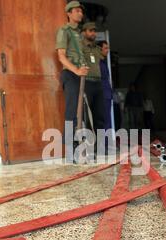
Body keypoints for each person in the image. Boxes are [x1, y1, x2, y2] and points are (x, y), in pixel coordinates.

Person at [56, 1, 88, 163]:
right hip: (71, 74)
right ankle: (71, 150)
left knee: (79, 113)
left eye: (81, 11)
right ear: (69, 13)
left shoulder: (79, 34)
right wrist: (76, 71)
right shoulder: (64, 31)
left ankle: (80, 147)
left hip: (79, 75)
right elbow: (61, 56)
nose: (80, 14)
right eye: (76, 11)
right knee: (71, 113)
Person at [81, 22, 106, 137]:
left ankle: (100, 146)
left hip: (98, 83)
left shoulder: (96, 48)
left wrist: (105, 51)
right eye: (90, 31)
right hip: (86, 83)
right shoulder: (80, 46)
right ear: (84, 32)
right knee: (86, 115)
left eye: (94, 31)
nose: (93, 33)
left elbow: (103, 55)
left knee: (100, 114)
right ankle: (88, 145)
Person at [98, 40, 114, 131]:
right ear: (100, 49)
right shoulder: (98, 63)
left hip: (107, 94)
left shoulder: (103, 62)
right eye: (105, 48)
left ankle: (107, 143)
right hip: (102, 94)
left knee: (107, 120)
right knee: (105, 120)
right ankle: (106, 144)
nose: (107, 50)